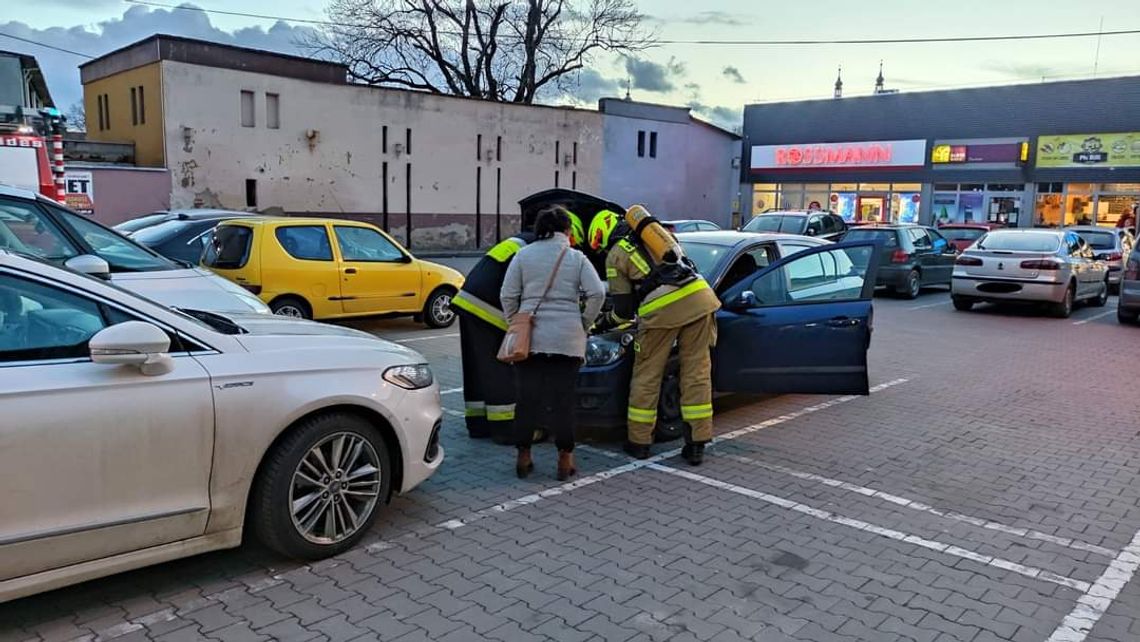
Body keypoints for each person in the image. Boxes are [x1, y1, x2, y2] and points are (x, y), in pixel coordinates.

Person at [589, 208, 721, 465]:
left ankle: (639, 443)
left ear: (601, 235)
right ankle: (696, 445)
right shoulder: (662, 239)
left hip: (661, 312)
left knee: (647, 375)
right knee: (697, 372)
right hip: (700, 299)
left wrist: (602, 323)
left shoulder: (616, 255)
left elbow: (624, 310)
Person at [451, 213, 585, 444]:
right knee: (500, 368)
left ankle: (478, 424)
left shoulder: (523, 240)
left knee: (476, 368)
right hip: (490, 306)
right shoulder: (541, 248)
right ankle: (505, 430)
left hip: (468, 299)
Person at [501, 207, 604, 480]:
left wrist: (516, 322)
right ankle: (564, 460)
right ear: (568, 231)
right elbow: (596, 293)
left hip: (530, 341)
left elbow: (508, 295)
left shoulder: (523, 255)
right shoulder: (576, 258)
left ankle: (523, 458)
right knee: (563, 402)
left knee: (526, 400)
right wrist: (583, 323)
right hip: (566, 340)